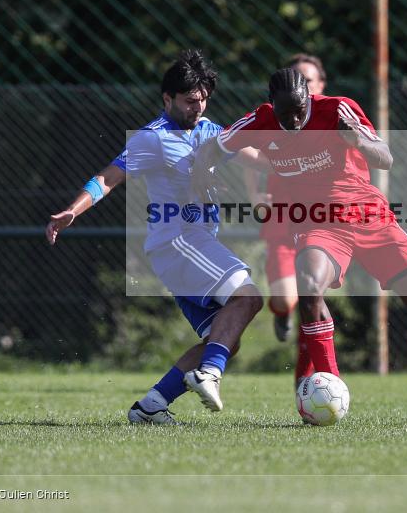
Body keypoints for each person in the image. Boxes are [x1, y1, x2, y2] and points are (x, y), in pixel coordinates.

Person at [192, 67, 407, 426]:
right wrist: (202, 179)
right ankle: (331, 382)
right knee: (309, 286)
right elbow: (213, 149)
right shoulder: (259, 121)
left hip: (370, 216)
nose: (294, 120)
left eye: (300, 111)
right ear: (272, 106)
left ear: (310, 99)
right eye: (285, 114)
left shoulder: (337, 110)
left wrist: (358, 141)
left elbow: (385, 158)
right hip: (319, 223)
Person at [46, 50, 264, 424]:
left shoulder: (210, 130)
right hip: (179, 241)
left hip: (190, 246)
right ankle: (209, 374)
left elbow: (255, 156)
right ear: (167, 99)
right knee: (248, 298)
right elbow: (108, 177)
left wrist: (302, 162)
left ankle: (150, 407)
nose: (198, 107)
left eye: (203, 99)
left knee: (225, 336)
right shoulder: (154, 138)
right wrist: (73, 210)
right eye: (189, 100)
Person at [242, 54, 326, 389]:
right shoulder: (275, 119)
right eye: (297, 80)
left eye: (308, 81)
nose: (301, 88)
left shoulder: (331, 117)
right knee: (286, 300)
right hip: (282, 220)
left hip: (320, 223)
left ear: (320, 86)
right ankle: (281, 313)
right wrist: (254, 195)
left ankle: (307, 383)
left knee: (313, 299)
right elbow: (244, 148)